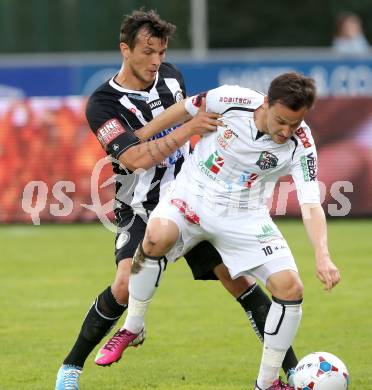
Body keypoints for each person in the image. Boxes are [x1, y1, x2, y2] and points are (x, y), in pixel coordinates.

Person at [55, 10, 298, 390]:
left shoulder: (171, 77)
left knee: (241, 282)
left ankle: (293, 372)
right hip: (141, 206)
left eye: (162, 51)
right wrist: (188, 130)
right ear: (125, 49)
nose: (156, 60)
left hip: (197, 201)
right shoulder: (102, 103)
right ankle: (70, 368)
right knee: (123, 283)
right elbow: (134, 158)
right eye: (148, 52)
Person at [99, 72, 341, 390]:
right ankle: (133, 327)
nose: (286, 131)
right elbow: (185, 108)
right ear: (266, 103)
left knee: (290, 288)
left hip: (245, 216)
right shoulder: (231, 100)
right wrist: (141, 134)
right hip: (193, 194)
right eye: (281, 120)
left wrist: (323, 257)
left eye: (294, 125)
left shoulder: (301, 145)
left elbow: (311, 205)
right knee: (157, 236)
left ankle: (267, 383)